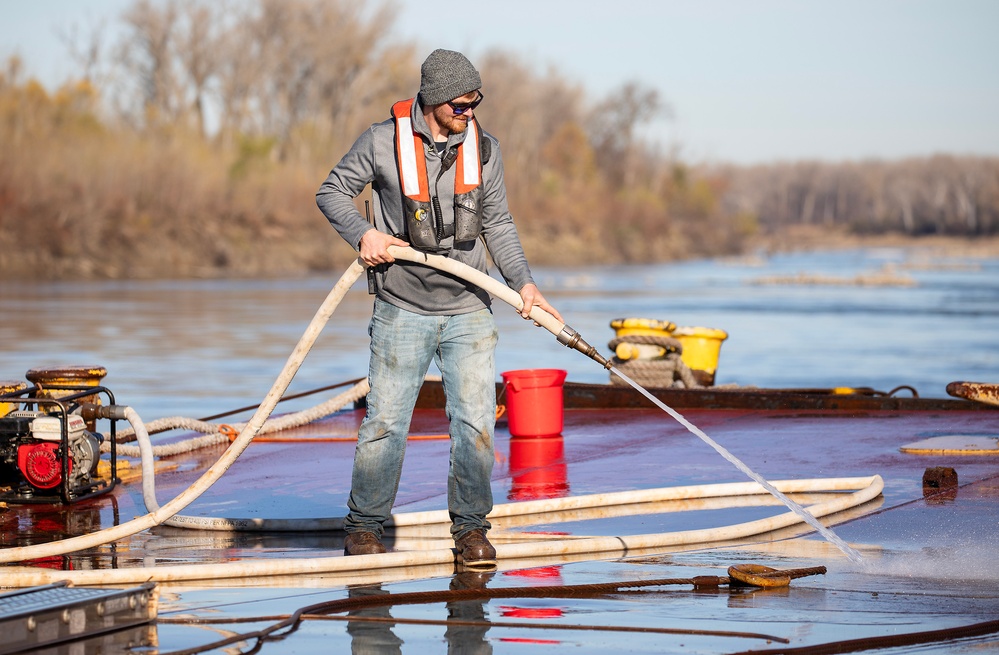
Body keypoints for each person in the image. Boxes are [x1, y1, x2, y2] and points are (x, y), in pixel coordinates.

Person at [316, 49, 562, 568]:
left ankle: (471, 531)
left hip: (470, 309)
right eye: (460, 103)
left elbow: (498, 223)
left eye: (476, 102)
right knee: (385, 423)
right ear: (432, 99)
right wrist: (363, 234)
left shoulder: (486, 149)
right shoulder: (381, 142)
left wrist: (524, 283)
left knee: (474, 425)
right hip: (401, 307)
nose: (470, 111)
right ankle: (364, 528)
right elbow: (331, 191)